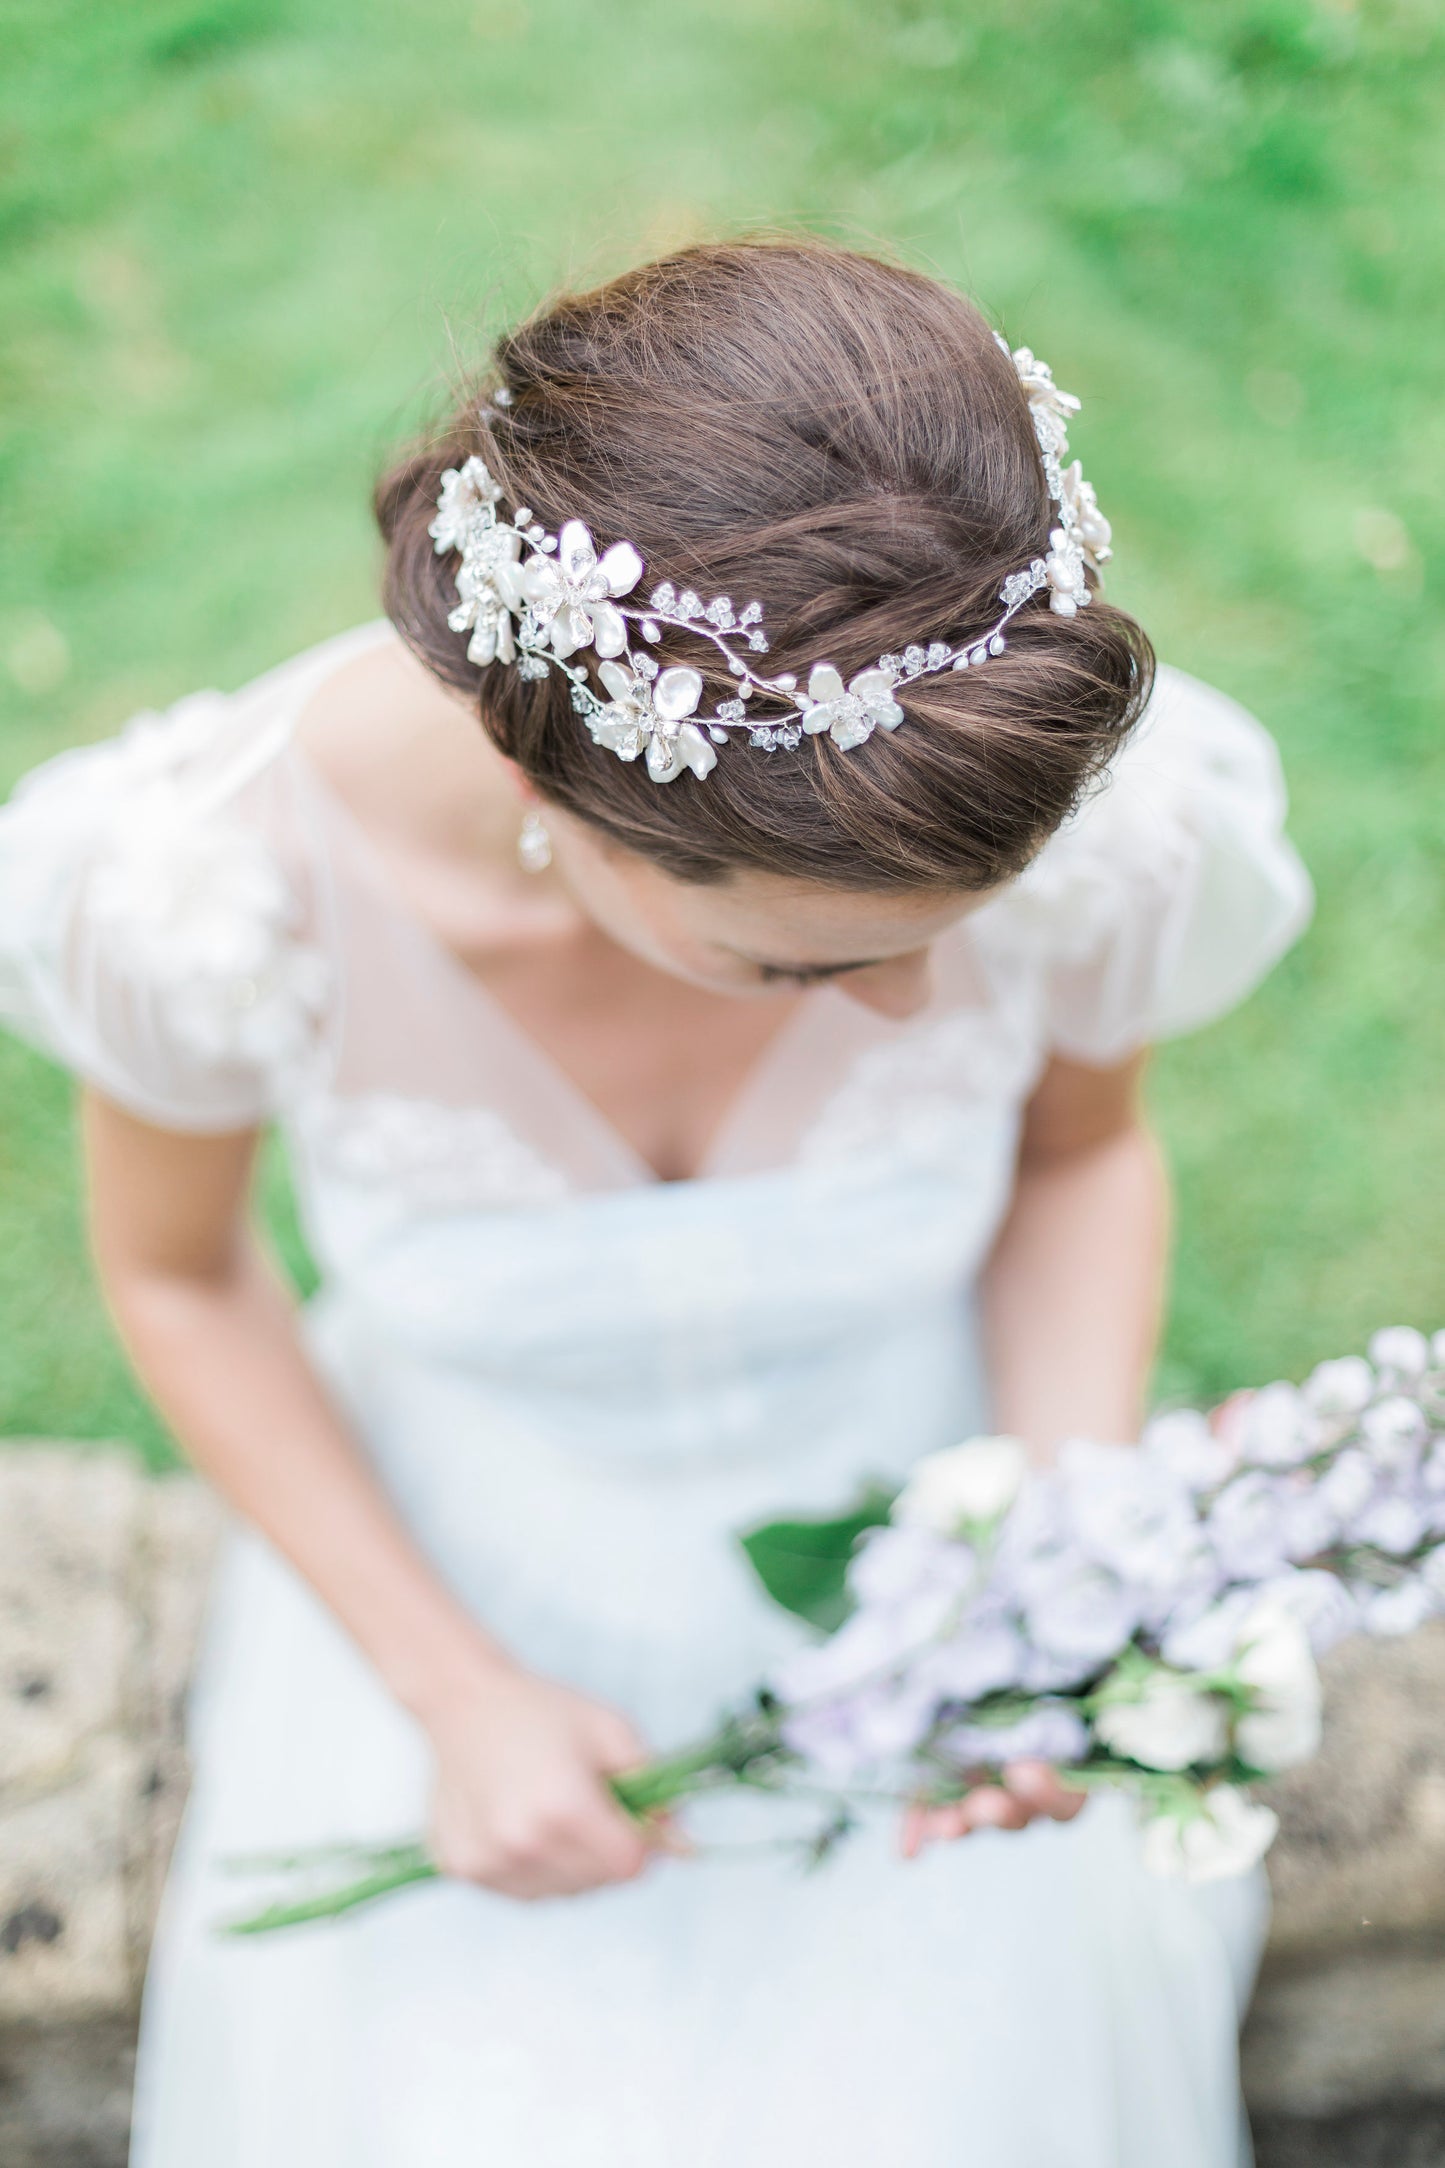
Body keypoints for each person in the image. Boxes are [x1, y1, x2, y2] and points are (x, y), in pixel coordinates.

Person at [0, 240, 1312, 2167]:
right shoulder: (201, 897)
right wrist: (454, 1695)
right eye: (789, 969)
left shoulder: (1027, 811)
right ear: (561, 790)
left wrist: (1047, 1539)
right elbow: (179, 1279)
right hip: (450, 1593)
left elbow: (1077, 1154)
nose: (911, 1012)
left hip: (920, 1537)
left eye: (949, 942)